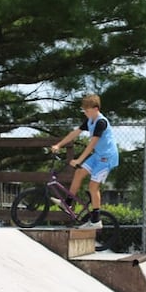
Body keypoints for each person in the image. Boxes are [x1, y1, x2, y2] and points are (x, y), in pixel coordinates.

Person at [50, 94, 119, 229]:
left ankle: (96, 221)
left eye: (87, 110)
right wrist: (59, 145)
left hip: (107, 158)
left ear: (96, 108)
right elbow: (74, 133)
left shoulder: (101, 122)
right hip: (98, 155)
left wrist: (79, 160)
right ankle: (68, 203)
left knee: (93, 187)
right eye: (84, 111)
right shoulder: (89, 121)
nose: (86, 113)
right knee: (79, 173)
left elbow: (92, 144)